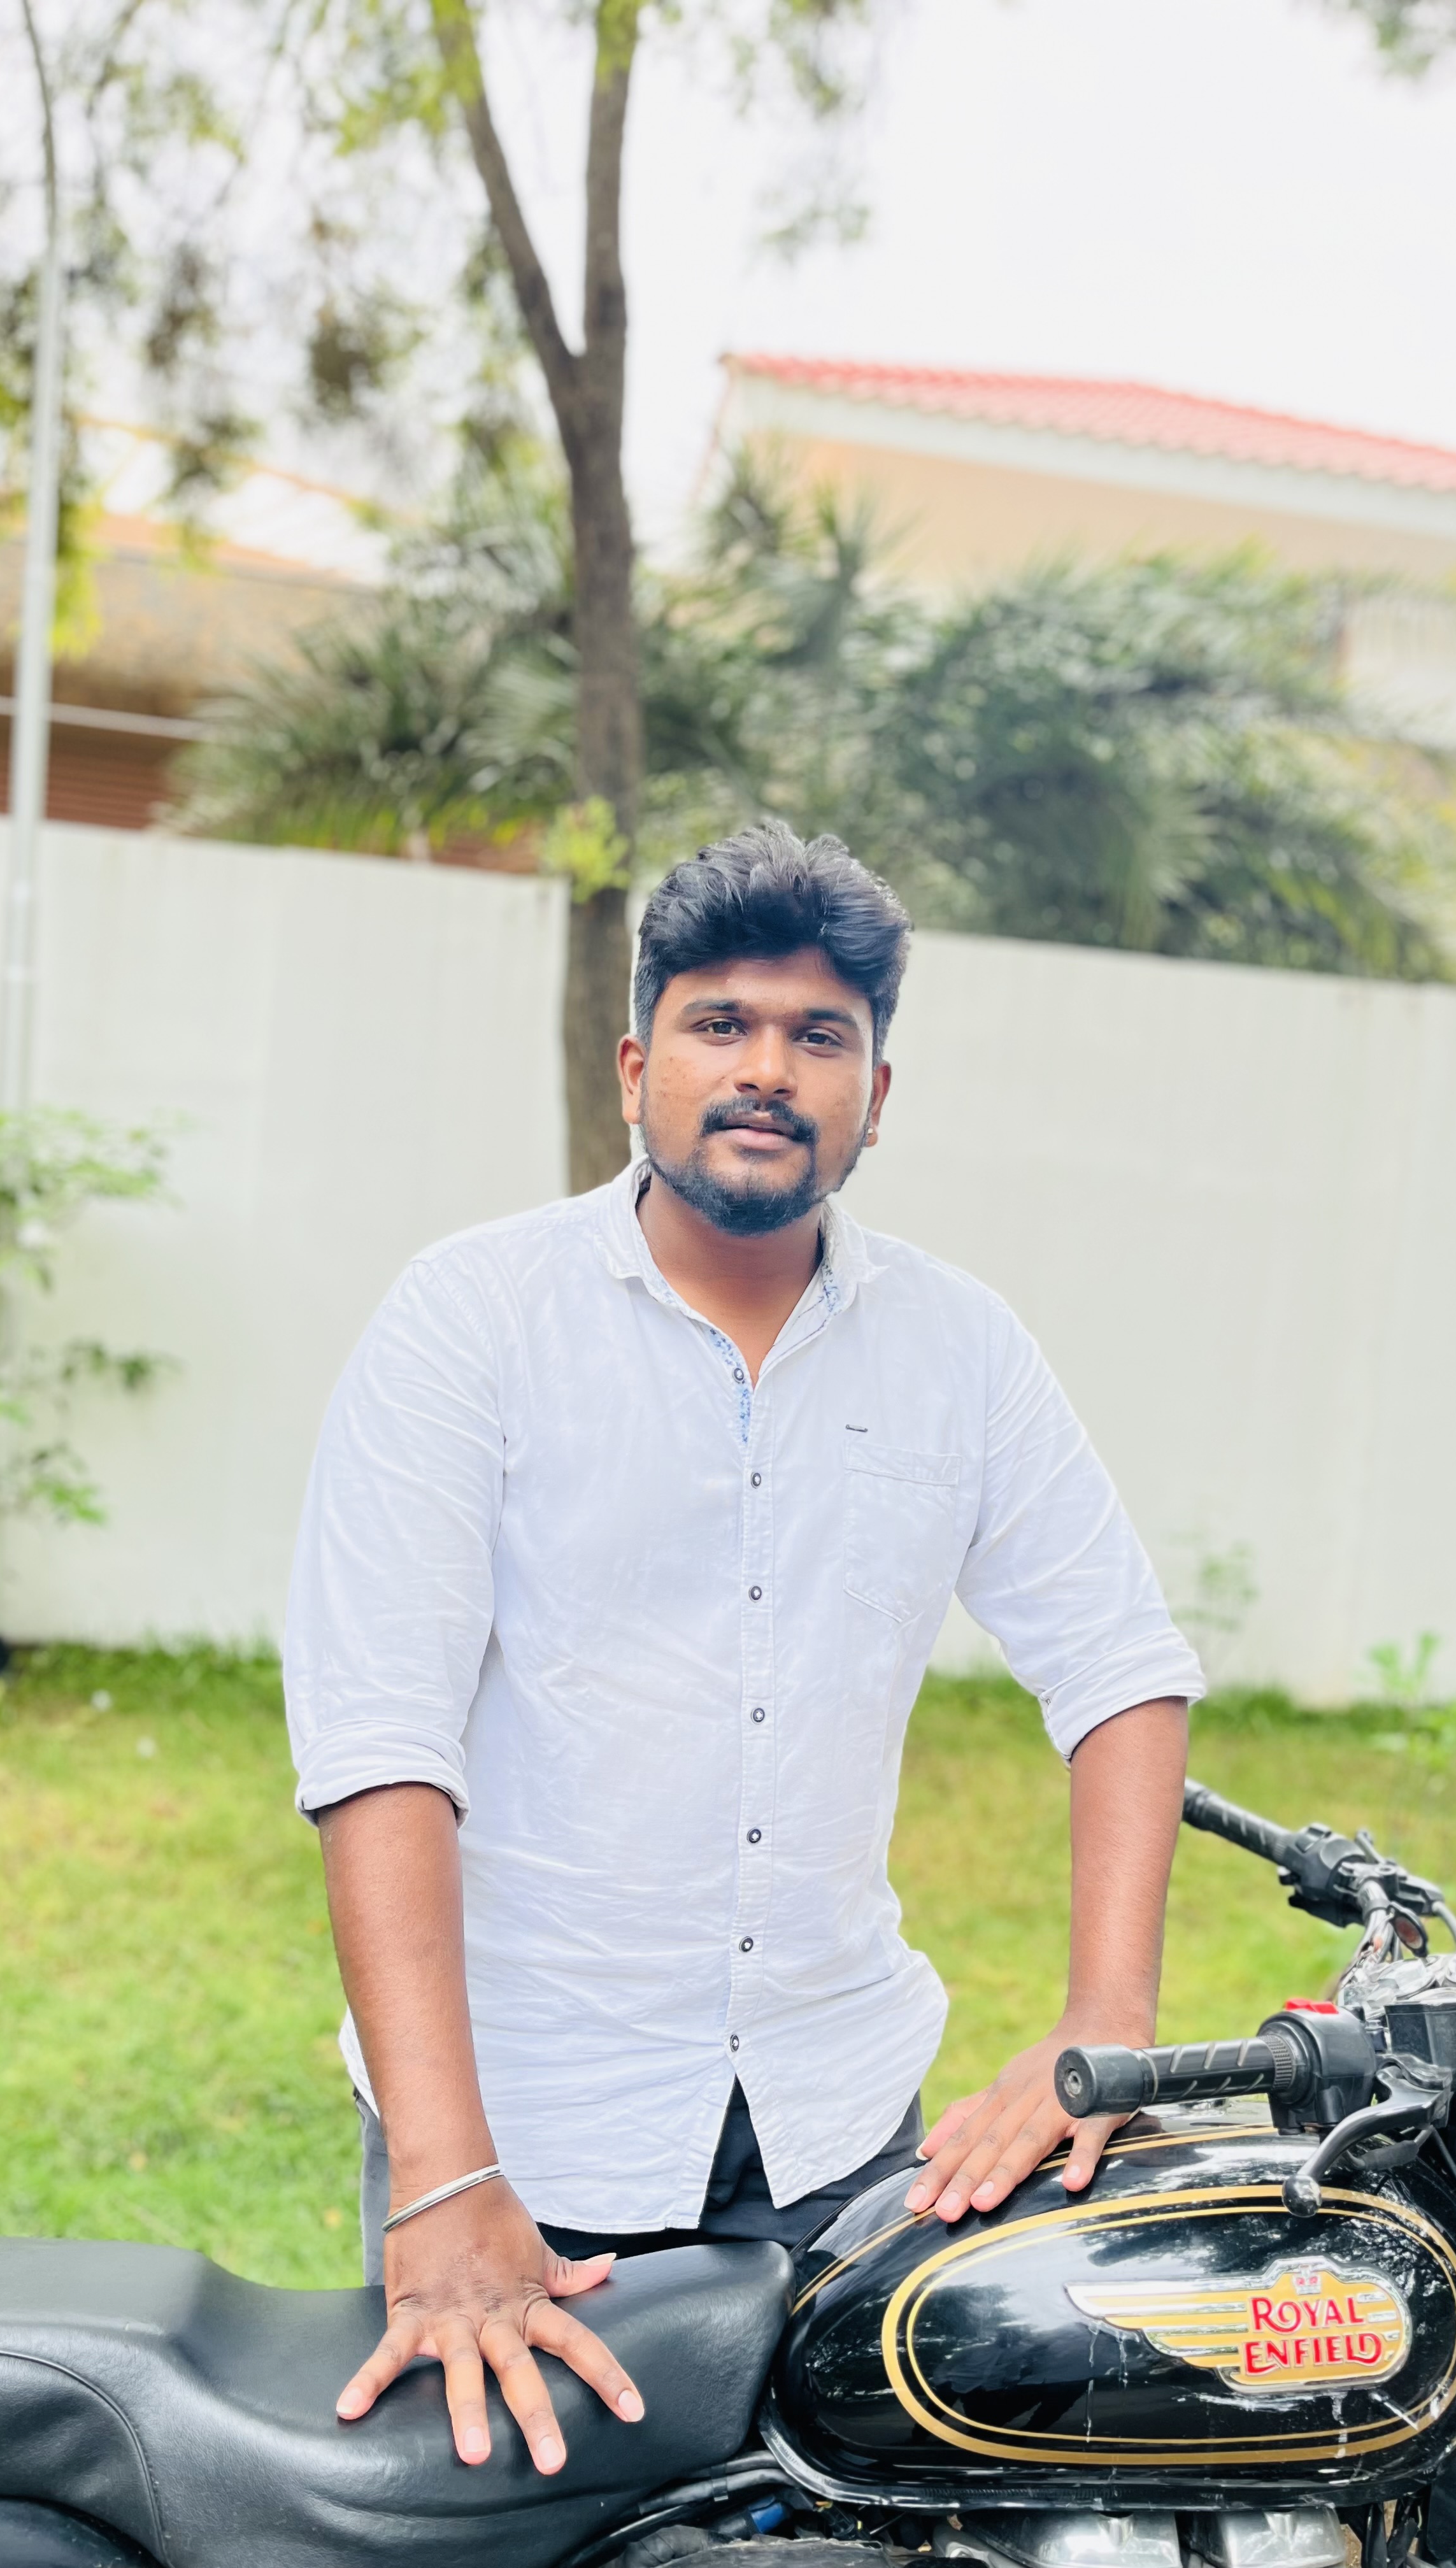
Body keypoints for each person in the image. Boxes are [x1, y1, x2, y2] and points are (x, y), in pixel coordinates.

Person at [283, 820, 1204, 2481]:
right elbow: (380, 1743)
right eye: (721, 1023)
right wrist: (444, 2178)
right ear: (638, 1065)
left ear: (877, 1093)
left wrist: (1104, 2029)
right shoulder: (472, 1318)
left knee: (825, 2535)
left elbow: (1121, 1666)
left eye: (818, 1036)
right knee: (506, 2529)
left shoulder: (961, 1347)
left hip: (840, 2128)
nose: (768, 1069)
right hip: (521, 2134)